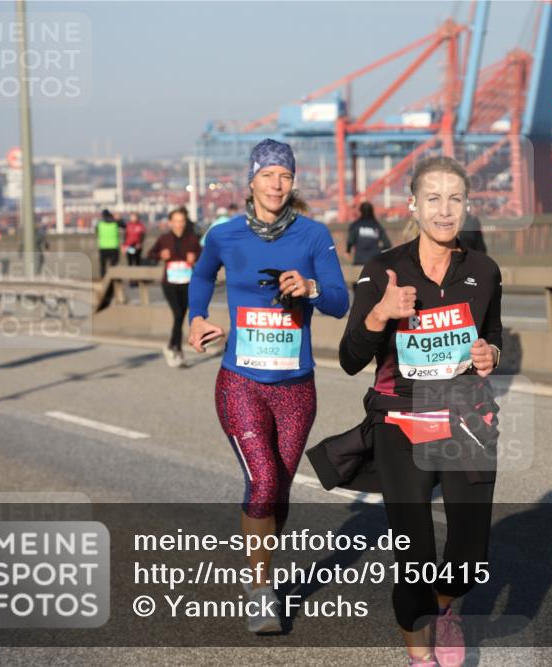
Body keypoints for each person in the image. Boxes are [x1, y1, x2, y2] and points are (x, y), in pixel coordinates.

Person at [338, 156, 502, 666]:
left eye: (455, 199)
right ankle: (420, 658)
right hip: (401, 419)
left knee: (469, 553)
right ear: (413, 205)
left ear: (467, 205)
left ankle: (446, 606)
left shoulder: (483, 270)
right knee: (414, 555)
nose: (445, 210)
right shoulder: (384, 269)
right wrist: (382, 312)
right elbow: (349, 359)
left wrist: (490, 354)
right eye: (433, 198)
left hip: (466, 417)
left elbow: (492, 335)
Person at [187, 139, 348, 634]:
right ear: (251, 182)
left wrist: (312, 288)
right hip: (241, 380)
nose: (276, 184)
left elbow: (341, 302)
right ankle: (261, 592)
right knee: (262, 481)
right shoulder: (225, 234)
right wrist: (196, 318)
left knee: (277, 493)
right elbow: (200, 275)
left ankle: (262, 566)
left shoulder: (314, 236)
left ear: (292, 182)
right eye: (267, 175)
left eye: (284, 176)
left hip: (296, 386)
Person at [149, 206, 201, 368]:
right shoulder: (164, 239)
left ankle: (173, 347)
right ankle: (176, 348)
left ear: (185, 222)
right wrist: (160, 255)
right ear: (170, 223)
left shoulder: (192, 239)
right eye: (176, 221)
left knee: (180, 317)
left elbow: (204, 255)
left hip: (187, 282)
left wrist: (195, 257)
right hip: (169, 283)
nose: (179, 224)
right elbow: (150, 255)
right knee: (178, 314)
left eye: (182, 221)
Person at [95, 209, 124, 278]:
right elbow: (124, 225)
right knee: (113, 266)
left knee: (103, 266)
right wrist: (117, 218)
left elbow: (96, 231)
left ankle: (103, 279)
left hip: (103, 247)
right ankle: (113, 279)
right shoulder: (115, 223)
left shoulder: (99, 224)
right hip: (114, 247)